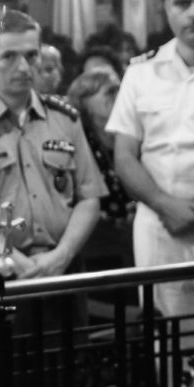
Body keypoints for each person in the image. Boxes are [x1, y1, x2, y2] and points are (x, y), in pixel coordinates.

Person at [0, 10, 105, 333]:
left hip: (63, 270)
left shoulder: (65, 118)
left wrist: (62, 255)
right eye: (9, 57)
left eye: (31, 55)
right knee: (5, 365)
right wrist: (12, 259)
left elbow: (89, 197)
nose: (23, 67)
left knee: (67, 363)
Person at [106, 0, 194, 347]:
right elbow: (125, 156)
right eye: (183, 3)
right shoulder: (141, 72)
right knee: (169, 343)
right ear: (167, 8)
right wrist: (167, 206)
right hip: (158, 225)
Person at [66, 69, 134, 271]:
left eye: (120, 89)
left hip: (135, 233)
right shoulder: (76, 139)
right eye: (110, 91)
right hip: (96, 241)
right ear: (84, 101)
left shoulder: (132, 134)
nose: (119, 95)